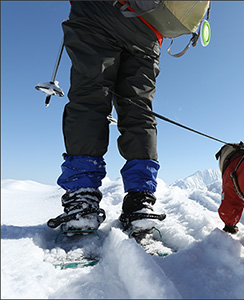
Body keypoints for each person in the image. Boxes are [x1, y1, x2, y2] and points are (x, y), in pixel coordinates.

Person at [48, 1, 165, 233]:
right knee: (139, 111)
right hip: (149, 27)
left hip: (98, 12)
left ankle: (83, 198)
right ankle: (140, 200)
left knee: (90, 100)